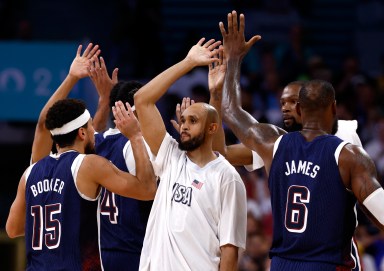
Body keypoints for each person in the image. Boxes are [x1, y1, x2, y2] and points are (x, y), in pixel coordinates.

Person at [219, 10, 384, 270]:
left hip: (283, 263)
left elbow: (230, 111)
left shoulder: (273, 143)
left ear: (300, 109)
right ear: (333, 107)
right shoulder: (348, 154)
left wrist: (232, 60)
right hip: (326, 263)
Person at [134, 38, 247, 270]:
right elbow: (142, 100)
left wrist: (215, 95)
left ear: (211, 129)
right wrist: (188, 62)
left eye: (192, 121)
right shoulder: (171, 157)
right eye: (183, 120)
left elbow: (230, 251)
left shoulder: (227, 176)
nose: (183, 126)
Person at [6, 98, 156, 270]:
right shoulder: (88, 165)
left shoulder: (30, 173)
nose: (95, 132)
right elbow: (148, 189)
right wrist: (136, 136)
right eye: (91, 126)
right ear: (82, 133)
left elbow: (13, 229)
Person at [89, 55, 154, 271]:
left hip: (103, 250)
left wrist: (104, 99)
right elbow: (150, 190)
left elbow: (92, 134)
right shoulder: (137, 145)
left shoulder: (100, 141)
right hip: (134, 250)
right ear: (135, 111)